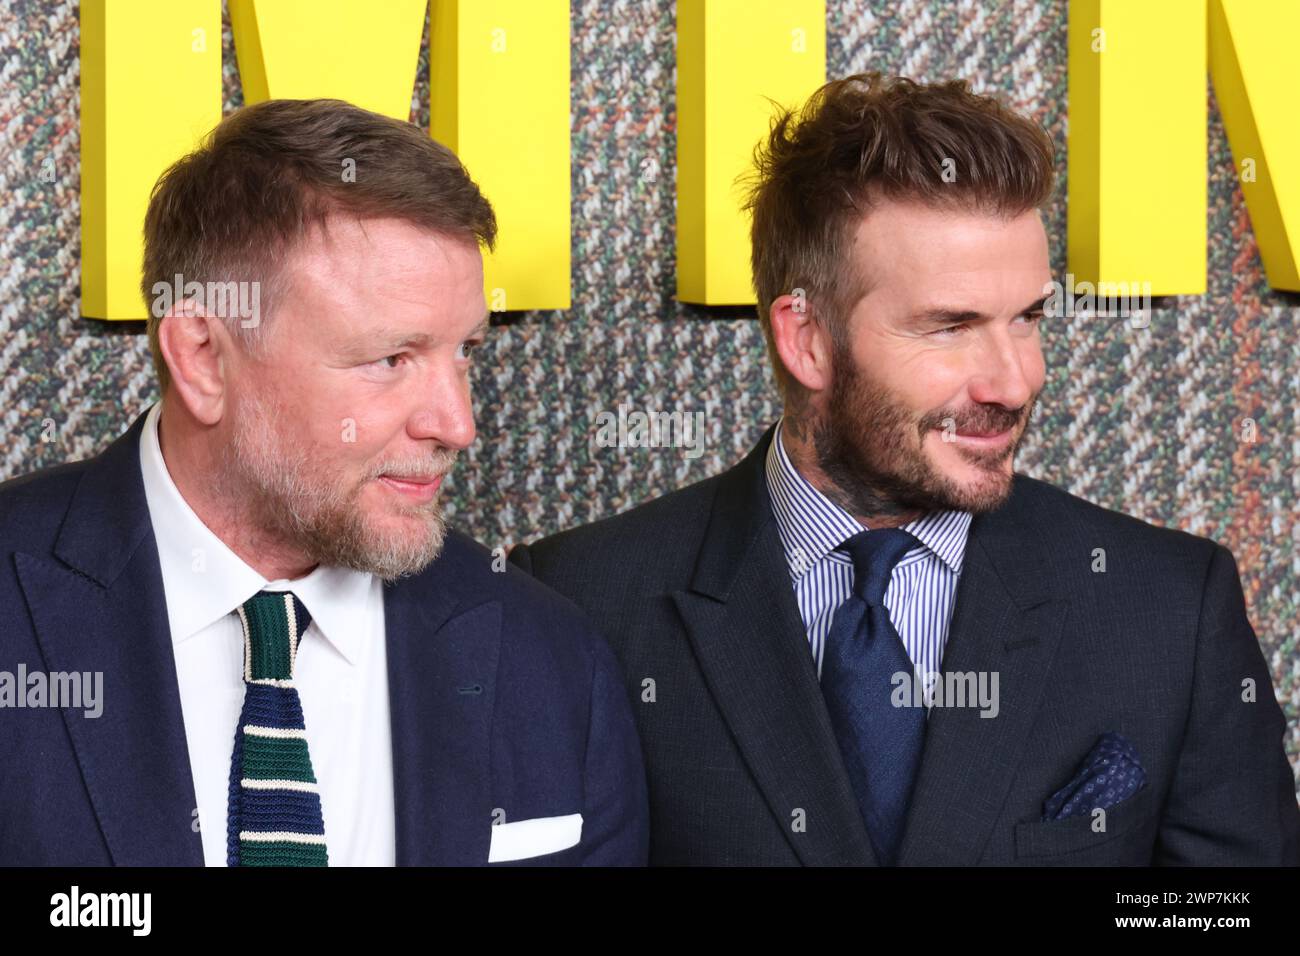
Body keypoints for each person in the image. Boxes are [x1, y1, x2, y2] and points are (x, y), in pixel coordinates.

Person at [510, 73, 1300, 865]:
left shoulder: (1167, 607)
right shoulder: (581, 600)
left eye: (1026, 319)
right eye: (951, 326)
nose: (1015, 381)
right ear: (808, 339)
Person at [0, 98, 647, 866]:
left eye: (464, 350)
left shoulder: (552, 660)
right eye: (390, 360)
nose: (457, 424)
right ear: (203, 357)